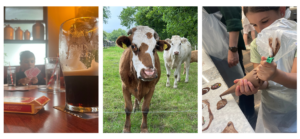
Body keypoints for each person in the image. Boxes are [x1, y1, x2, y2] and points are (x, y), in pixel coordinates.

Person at [235, 7, 296, 133]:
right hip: (271, 108)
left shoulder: (296, 41)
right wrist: (254, 85)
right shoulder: (256, 45)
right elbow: (263, 82)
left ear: (282, 11)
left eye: (265, 21)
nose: (260, 30)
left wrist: (275, 74)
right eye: (254, 25)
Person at [202, 7, 256, 128]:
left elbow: (233, 16)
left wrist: (233, 49)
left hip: (226, 45)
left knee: (241, 79)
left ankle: (249, 113)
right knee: (229, 81)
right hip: (212, 46)